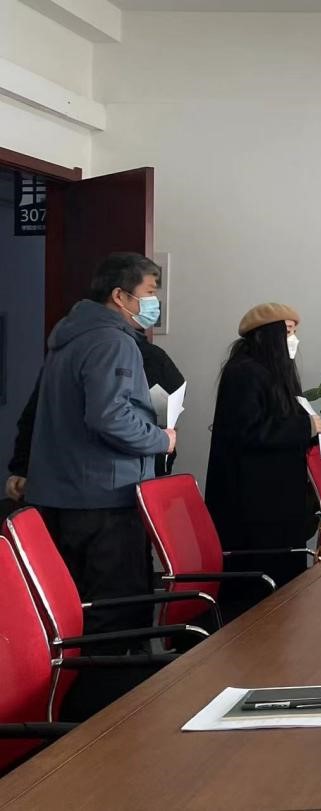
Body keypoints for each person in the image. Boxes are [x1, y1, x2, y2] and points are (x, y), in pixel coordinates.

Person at [23, 253, 177, 637]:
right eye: (149, 292)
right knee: (114, 613)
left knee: (74, 609)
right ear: (120, 296)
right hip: (106, 498)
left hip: (64, 495)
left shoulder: (69, 337)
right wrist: (161, 439)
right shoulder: (113, 341)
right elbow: (110, 417)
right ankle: (111, 677)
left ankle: (79, 676)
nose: (154, 302)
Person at [205, 303, 321, 609]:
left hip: (277, 498)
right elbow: (250, 431)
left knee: (286, 589)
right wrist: (305, 426)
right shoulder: (244, 372)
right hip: (253, 503)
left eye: (295, 332)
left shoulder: (273, 372)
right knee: (259, 591)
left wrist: (310, 428)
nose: (293, 339)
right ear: (268, 335)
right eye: (288, 332)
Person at [6, 321, 184, 516]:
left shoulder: (63, 349)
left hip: (60, 490)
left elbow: (34, 414)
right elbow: (147, 423)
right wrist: (164, 444)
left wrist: (21, 467)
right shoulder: (132, 352)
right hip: (108, 496)